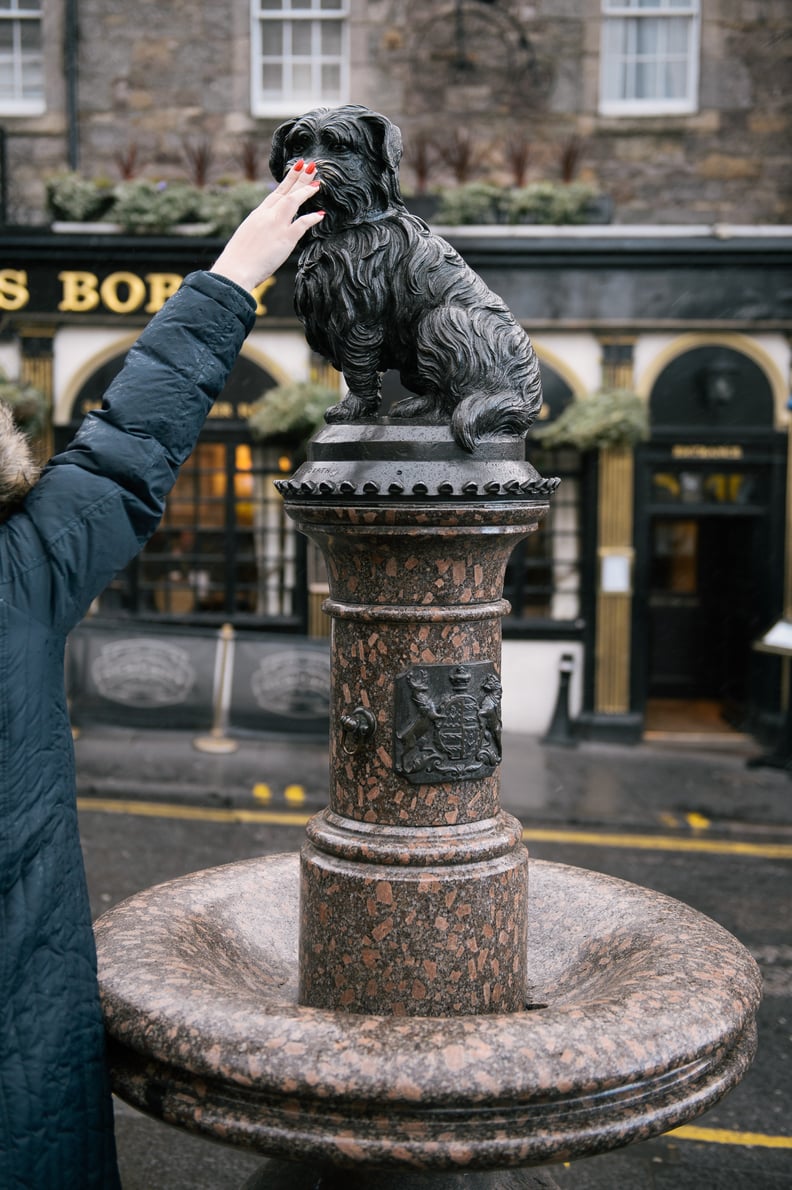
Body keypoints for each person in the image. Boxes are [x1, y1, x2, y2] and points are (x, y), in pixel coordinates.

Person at [0, 163, 324, 1189]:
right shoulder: (22, 574)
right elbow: (119, 454)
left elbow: (124, 444)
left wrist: (234, 274)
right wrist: (234, 273)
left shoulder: (18, 572)